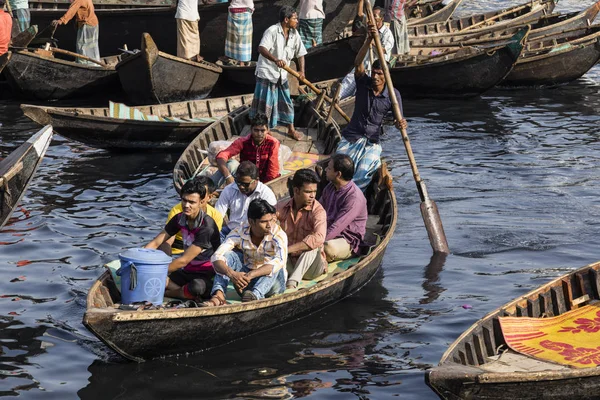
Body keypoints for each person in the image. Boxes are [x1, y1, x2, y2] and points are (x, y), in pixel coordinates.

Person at [337, 22, 407, 190]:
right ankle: (340, 192)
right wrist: (368, 41)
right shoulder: (363, 82)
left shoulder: (392, 94)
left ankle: (354, 197)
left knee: (362, 172)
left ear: (386, 76)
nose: (375, 77)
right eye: (374, 73)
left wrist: (401, 124)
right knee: (339, 168)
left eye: (379, 74)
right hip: (352, 136)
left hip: (372, 141)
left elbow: (399, 120)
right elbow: (358, 63)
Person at [145, 178, 221, 301]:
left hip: (207, 273)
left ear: (201, 202)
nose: (186, 205)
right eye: (184, 200)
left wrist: (156, 271)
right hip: (187, 271)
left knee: (196, 287)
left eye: (192, 202)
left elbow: (183, 260)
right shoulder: (179, 218)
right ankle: (180, 292)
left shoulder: (207, 226)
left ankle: (168, 293)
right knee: (154, 278)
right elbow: (156, 242)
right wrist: (139, 259)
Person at [204, 199, 287, 305]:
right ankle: (219, 295)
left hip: (273, 285)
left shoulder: (278, 234)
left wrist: (251, 275)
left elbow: (280, 261)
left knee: (276, 263)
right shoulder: (240, 232)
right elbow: (216, 257)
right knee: (229, 256)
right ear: (251, 221)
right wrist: (233, 274)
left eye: (271, 220)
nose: (269, 225)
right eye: (263, 222)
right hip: (245, 283)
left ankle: (256, 294)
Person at [251, 5, 307, 141]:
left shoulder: (295, 34)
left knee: (287, 102)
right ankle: (266, 130)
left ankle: (291, 129)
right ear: (286, 19)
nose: (297, 21)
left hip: (282, 74)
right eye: (295, 18)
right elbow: (261, 48)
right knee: (266, 104)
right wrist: (275, 59)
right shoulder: (272, 31)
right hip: (268, 72)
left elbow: (301, 54)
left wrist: (301, 71)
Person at [276, 168, 326, 289]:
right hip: (288, 264)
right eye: (308, 192)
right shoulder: (281, 207)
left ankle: (292, 283)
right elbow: (266, 220)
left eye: (314, 191)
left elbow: (319, 238)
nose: (313, 196)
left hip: (311, 269)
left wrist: (287, 249)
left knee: (314, 244)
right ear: (296, 190)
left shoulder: (318, 211)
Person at [339, 5, 394, 99]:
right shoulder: (369, 29)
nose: (372, 19)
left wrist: (373, 41)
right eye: (371, 16)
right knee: (349, 79)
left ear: (381, 18)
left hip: (375, 68)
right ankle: (336, 98)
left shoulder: (387, 33)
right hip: (364, 64)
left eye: (375, 17)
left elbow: (384, 50)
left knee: (363, 89)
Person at [319, 154, 367, 262]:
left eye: (329, 168)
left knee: (328, 248)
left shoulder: (354, 198)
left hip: (346, 239)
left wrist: (316, 242)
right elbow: (318, 210)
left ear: (338, 174)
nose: (325, 169)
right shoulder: (330, 187)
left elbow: (337, 227)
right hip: (325, 230)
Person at [215, 160, 277, 241]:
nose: (241, 187)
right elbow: (217, 215)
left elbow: (270, 222)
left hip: (253, 236)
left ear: (256, 180)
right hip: (231, 231)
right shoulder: (229, 189)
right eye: (238, 182)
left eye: (246, 184)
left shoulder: (266, 194)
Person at [215, 112, 280, 186]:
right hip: (245, 180)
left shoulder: (273, 143)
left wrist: (265, 186)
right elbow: (222, 156)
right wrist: (228, 176)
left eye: (262, 131)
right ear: (251, 129)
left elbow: (273, 169)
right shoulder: (243, 141)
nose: (259, 134)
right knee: (231, 164)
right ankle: (207, 189)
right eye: (256, 130)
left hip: (264, 181)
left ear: (267, 130)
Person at [163, 176, 223, 256]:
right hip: (176, 252)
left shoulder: (214, 217)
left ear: (209, 197)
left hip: (199, 254)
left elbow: (208, 245)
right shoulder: (178, 211)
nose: (187, 205)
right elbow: (167, 239)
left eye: (201, 192)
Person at [224, 0, 254, 66]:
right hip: (246, 10)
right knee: (244, 39)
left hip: (234, 10)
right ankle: (242, 61)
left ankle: (229, 55)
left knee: (231, 36)